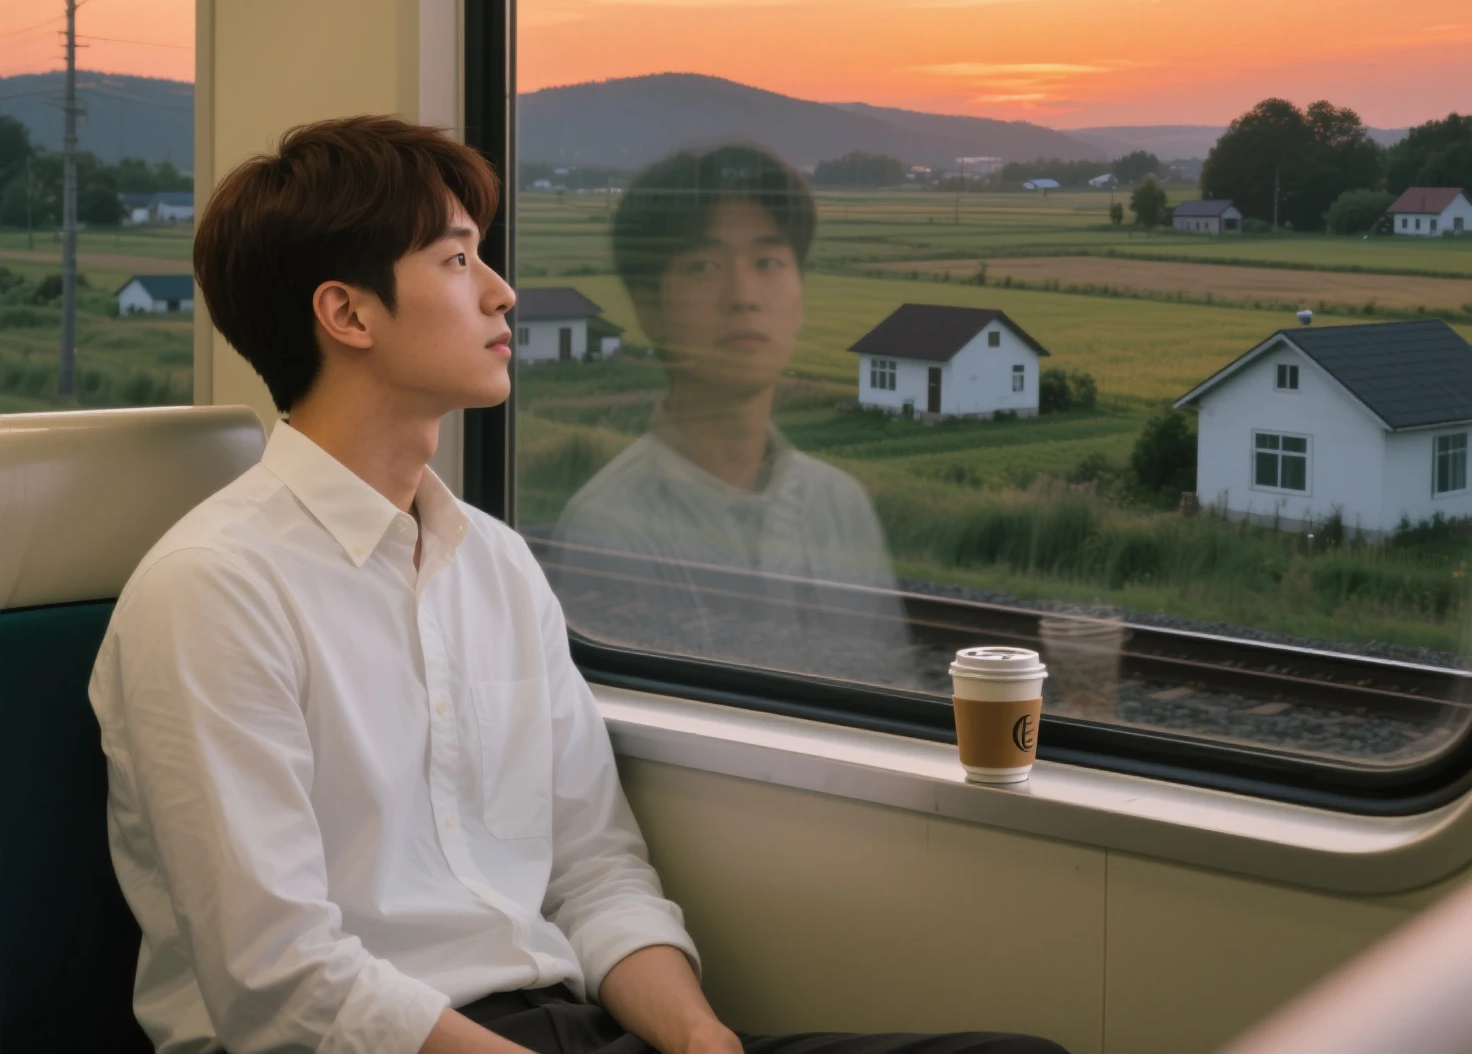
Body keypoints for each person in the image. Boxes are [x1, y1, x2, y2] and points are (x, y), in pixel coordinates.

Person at [89, 115, 1066, 1054]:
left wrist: (698, 1036)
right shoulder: (213, 591)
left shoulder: (500, 566)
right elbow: (280, 978)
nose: (504, 291)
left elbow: (595, 869)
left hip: (570, 1018)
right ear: (346, 312)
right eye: (459, 259)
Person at [551, 146, 916, 686]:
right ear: (649, 307)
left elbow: (894, 691)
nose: (743, 296)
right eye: (703, 266)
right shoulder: (609, 529)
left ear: (799, 296)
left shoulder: (841, 504)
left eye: (767, 263)